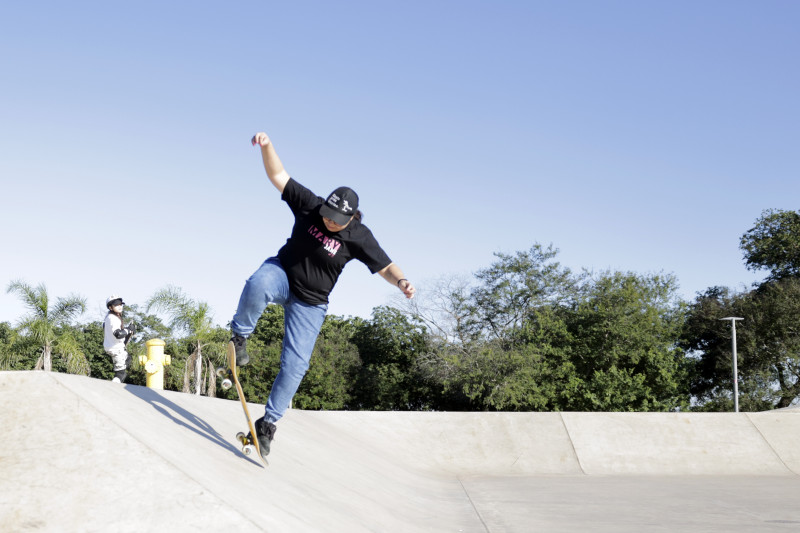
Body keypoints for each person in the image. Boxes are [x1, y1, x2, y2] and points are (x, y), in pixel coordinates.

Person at [230, 131, 416, 459]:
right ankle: (239, 337)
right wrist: (268, 145)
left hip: (311, 302)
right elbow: (278, 175)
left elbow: (386, 266)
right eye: (327, 216)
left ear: (351, 219)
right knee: (258, 283)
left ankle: (268, 425)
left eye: (337, 222)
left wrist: (401, 281)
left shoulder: (358, 235)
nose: (330, 223)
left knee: (296, 366)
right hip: (283, 274)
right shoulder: (309, 205)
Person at [103, 295, 135, 383]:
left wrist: (129, 331)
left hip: (115, 347)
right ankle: (112, 389)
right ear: (110, 307)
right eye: (116, 305)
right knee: (121, 373)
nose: (120, 306)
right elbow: (118, 334)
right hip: (115, 349)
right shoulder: (112, 318)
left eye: (120, 304)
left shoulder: (109, 318)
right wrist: (128, 330)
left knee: (128, 359)